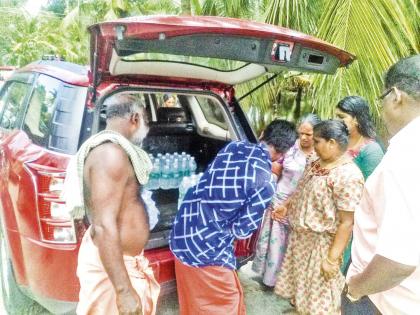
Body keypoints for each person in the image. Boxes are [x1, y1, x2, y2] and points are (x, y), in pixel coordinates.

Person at [169, 120, 297, 315]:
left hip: (182, 230)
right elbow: (242, 230)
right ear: (283, 153)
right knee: (224, 303)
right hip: (207, 249)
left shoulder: (233, 146)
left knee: (192, 296)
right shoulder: (265, 183)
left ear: (262, 133)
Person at [63, 94, 160, 315]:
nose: (146, 127)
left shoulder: (115, 151)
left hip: (123, 261)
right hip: (113, 271)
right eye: (145, 120)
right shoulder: (110, 154)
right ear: (135, 118)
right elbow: (103, 226)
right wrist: (124, 290)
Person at [343, 55, 420, 314]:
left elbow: (399, 261)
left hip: (382, 301)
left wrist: (356, 289)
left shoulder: (407, 156)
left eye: (382, 98)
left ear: (396, 96)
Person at [274, 119, 364, 315]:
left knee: (321, 298)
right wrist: (286, 206)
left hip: (321, 245)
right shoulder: (315, 161)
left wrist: (331, 259)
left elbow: (347, 222)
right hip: (300, 239)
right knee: (301, 290)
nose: (312, 145)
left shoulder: (348, 176)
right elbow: (302, 188)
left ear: (332, 142)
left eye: (317, 141)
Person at [252, 114, 320, 287]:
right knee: (273, 242)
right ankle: (268, 279)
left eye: (308, 134)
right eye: (301, 133)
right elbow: (276, 168)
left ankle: (287, 282)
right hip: (278, 198)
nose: (303, 137)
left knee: (290, 245)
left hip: (298, 205)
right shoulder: (290, 147)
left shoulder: (318, 155)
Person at [335, 96, 384, 273]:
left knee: (333, 266)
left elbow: (371, 193)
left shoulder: (371, 151)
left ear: (356, 119)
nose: (336, 121)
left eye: (341, 117)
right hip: (326, 215)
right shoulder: (338, 142)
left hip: (348, 219)